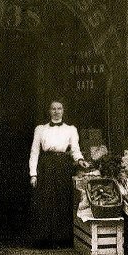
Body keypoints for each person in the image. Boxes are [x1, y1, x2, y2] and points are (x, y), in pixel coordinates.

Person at [28, 100, 89, 247]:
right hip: (46, 166)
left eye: (59, 108)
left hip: (63, 166)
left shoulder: (70, 129)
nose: (56, 111)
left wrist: (80, 160)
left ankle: (62, 240)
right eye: (53, 109)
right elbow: (34, 152)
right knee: (46, 200)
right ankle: (44, 239)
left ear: (63, 111)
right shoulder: (40, 129)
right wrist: (33, 174)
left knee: (62, 199)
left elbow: (75, 149)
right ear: (49, 111)